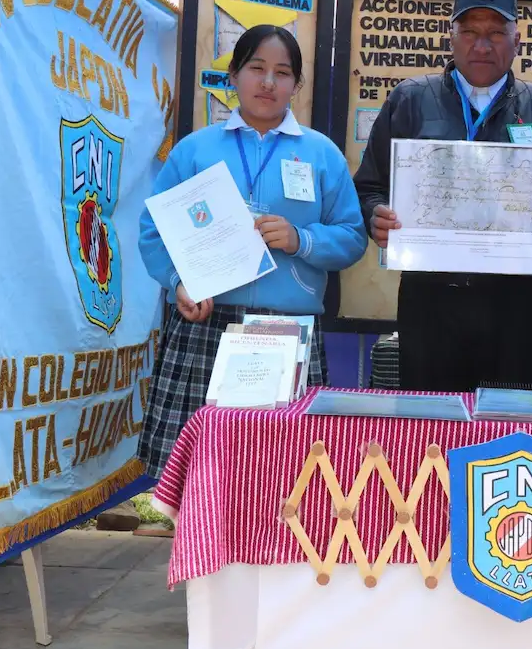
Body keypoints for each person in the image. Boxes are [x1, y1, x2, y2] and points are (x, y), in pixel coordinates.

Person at [137, 24, 366, 479]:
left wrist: (302, 239)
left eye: (282, 73)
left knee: (282, 469)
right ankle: (195, 547)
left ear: (297, 86)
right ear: (234, 76)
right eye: (256, 68)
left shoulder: (321, 155)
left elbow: (353, 236)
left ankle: (270, 551)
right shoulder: (196, 150)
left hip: (288, 332)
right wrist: (178, 283)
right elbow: (153, 231)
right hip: (209, 325)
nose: (268, 82)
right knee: (197, 468)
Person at [354, 0, 532, 392]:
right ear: (451, 37)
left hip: (516, 304)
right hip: (430, 301)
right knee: (430, 429)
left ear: (518, 39)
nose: (482, 45)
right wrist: (375, 215)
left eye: (496, 32)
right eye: (470, 32)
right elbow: (369, 186)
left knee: (506, 426)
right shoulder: (410, 100)